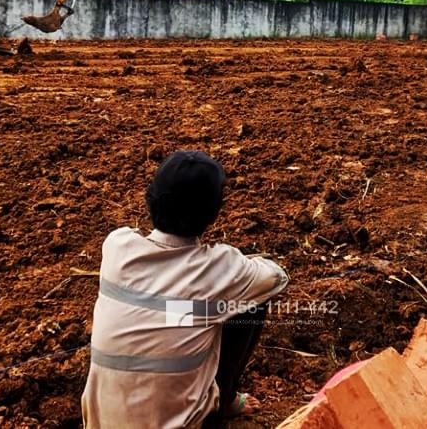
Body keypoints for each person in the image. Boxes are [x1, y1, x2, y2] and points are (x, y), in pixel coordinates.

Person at [81, 150, 289, 429]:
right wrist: (235, 267)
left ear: (151, 197)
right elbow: (277, 278)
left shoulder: (117, 245)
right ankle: (223, 399)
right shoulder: (219, 269)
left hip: (101, 423)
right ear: (213, 212)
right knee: (248, 303)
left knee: (177, 311)